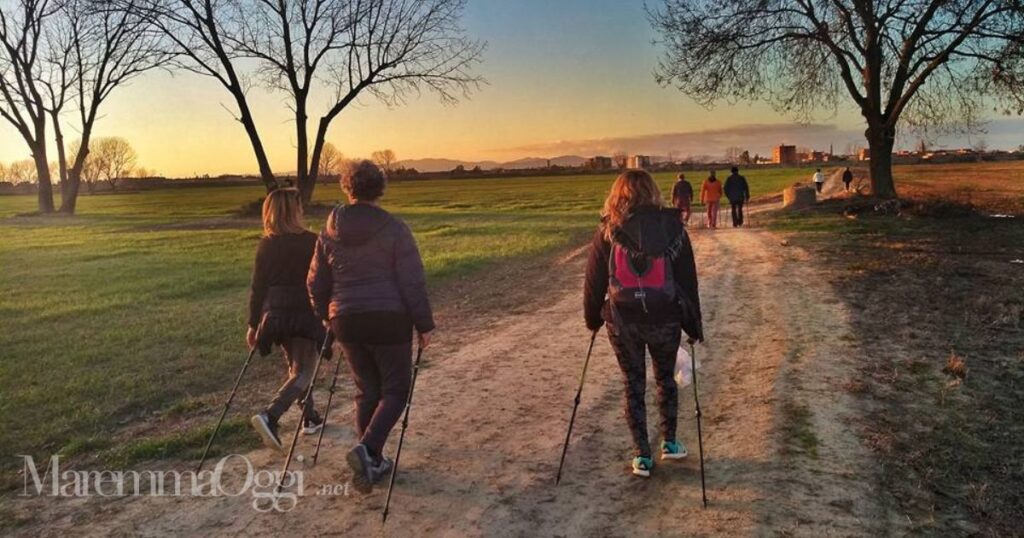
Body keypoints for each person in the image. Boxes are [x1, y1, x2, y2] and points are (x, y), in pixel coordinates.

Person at [308, 160, 435, 493]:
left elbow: (316, 283)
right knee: (395, 390)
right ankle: (367, 450)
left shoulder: (328, 230)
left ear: (347, 188)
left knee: (367, 390)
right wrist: (424, 324)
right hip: (388, 318)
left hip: (345, 320)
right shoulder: (394, 228)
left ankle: (372, 462)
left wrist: (327, 316)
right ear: (380, 188)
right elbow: (412, 281)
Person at [583, 169, 704, 478]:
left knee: (633, 383)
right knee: (666, 379)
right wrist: (693, 326)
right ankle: (671, 443)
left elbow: (594, 280)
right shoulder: (674, 228)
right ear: (653, 192)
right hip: (665, 318)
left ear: (617, 195)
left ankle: (642, 456)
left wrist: (592, 319)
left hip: (623, 322)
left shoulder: (609, 230)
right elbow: (688, 280)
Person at [248, 188, 326, 452]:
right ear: (294, 211)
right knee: (305, 371)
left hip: (276, 315)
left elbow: (258, 287)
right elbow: (322, 279)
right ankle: (271, 415)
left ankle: (310, 417)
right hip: (306, 311)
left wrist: (253, 323)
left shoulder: (266, 244)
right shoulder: (312, 241)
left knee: (297, 367)